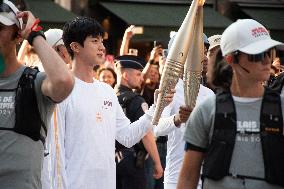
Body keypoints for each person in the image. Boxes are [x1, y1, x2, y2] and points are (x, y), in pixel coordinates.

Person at [57, 16, 174, 189]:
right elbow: (54, 149)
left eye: (102, 41)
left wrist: (156, 108)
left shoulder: (106, 91)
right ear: (75, 47)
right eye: (94, 41)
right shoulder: (61, 91)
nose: (102, 47)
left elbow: (126, 136)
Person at [177, 19, 284, 189]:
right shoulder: (207, 110)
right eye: (257, 54)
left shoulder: (282, 109)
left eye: (269, 53)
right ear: (231, 59)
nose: (266, 61)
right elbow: (188, 177)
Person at [0, 1, 74, 188]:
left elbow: (63, 82)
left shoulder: (32, 81)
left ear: (17, 35)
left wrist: (34, 35)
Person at [153, 33, 214, 189]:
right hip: (177, 178)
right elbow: (157, 128)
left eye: (205, 52)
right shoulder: (170, 88)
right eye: (199, 52)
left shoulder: (209, 94)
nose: (204, 57)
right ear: (181, 55)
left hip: (207, 178)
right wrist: (177, 119)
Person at [115, 55, 163, 189]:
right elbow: (146, 134)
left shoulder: (109, 96)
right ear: (125, 75)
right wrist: (157, 163)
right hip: (132, 160)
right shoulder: (136, 100)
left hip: (112, 160)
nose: (141, 78)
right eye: (138, 74)